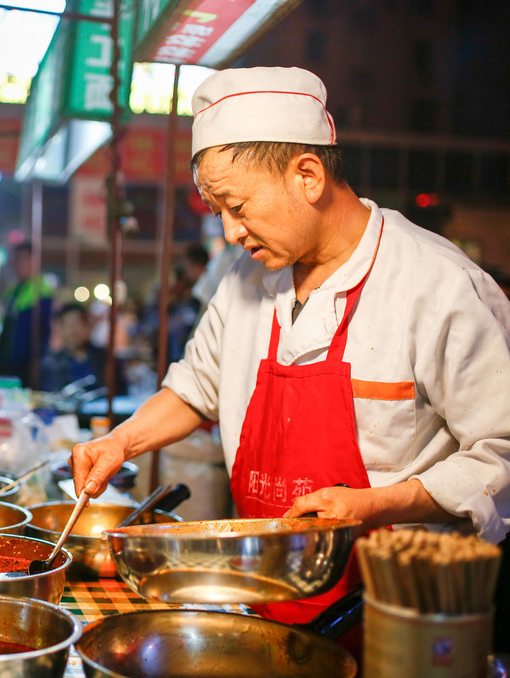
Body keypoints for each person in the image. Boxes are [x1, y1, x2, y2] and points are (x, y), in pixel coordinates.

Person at [71, 67, 510, 632]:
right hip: (263, 596)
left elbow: (501, 451)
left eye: (238, 206)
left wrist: (373, 505)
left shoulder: (437, 283)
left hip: (395, 611)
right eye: (218, 213)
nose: (231, 232)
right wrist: (118, 442)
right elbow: (192, 391)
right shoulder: (246, 278)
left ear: (307, 175)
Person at [0, 241, 53, 387]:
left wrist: (38, 362)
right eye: (17, 259)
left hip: (30, 367)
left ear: (36, 261)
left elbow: (45, 332)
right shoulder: (13, 290)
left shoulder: (42, 291)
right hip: (9, 365)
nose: (20, 264)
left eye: (25, 259)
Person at [41, 303, 122, 394]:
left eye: (77, 323)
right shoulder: (52, 362)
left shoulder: (105, 357)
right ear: (60, 329)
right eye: (69, 325)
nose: (73, 330)